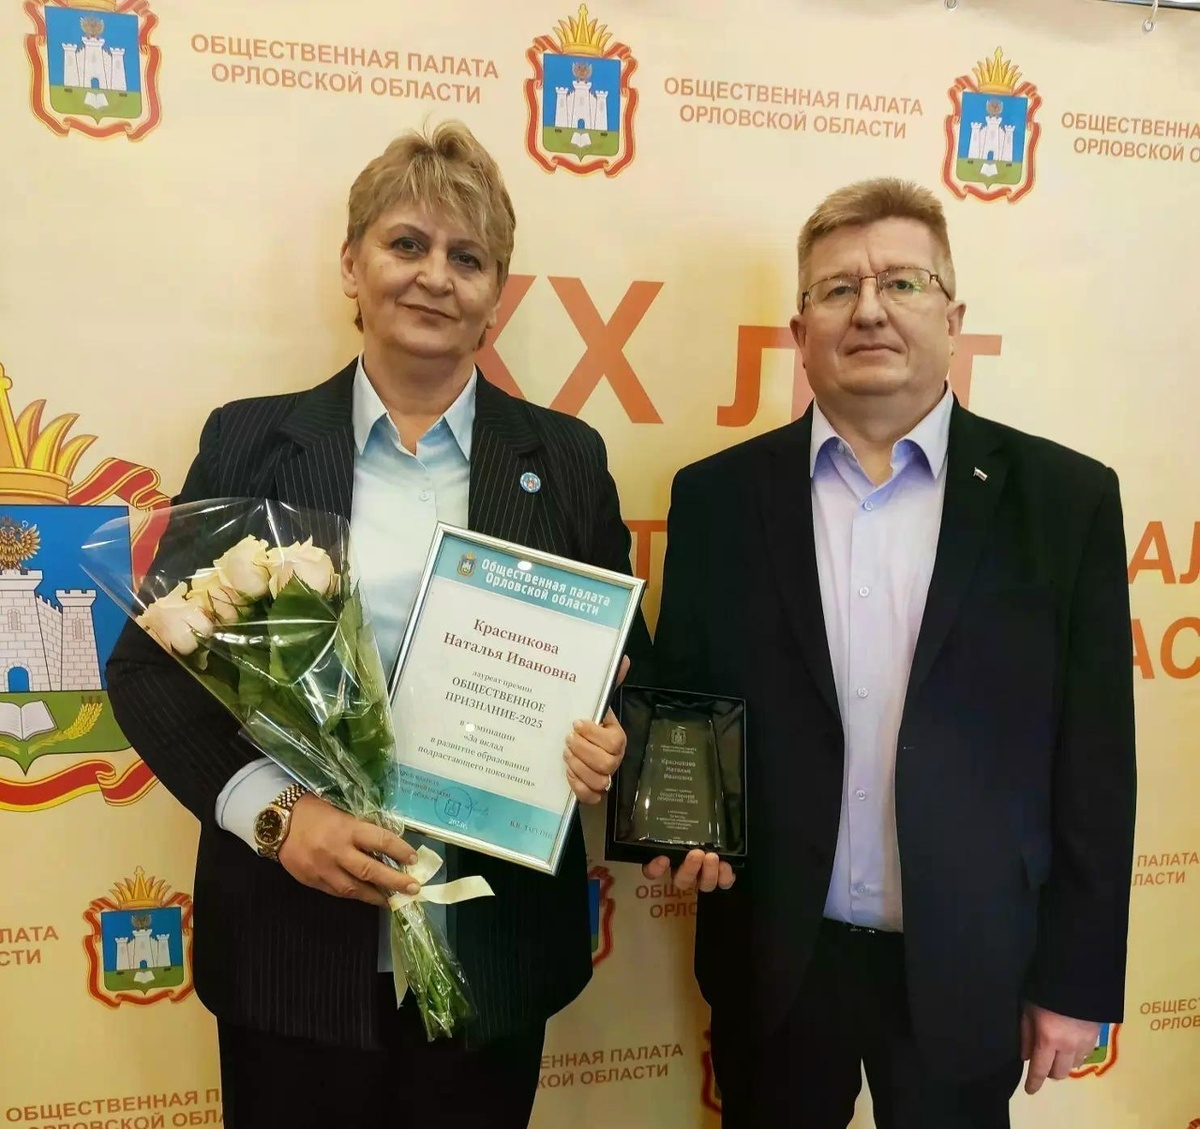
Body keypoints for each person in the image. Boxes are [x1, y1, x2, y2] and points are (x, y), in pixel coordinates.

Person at [106, 120, 651, 1129]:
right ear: (352, 265)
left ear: (497, 293)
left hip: (493, 955)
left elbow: (628, 675)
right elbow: (148, 670)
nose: (436, 276)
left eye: (468, 258)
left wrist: (610, 742)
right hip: (290, 953)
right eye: (407, 244)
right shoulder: (249, 441)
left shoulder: (568, 460)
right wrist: (276, 815)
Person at [644, 178, 1136, 1129]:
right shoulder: (716, 498)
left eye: (902, 283)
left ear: (953, 320)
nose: (869, 309)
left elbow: (1096, 767)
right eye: (838, 288)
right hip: (775, 961)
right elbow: (684, 704)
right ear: (801, 332)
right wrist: (671, 819)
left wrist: (1076, 979)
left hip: (970, 963)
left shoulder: (1064, 502)